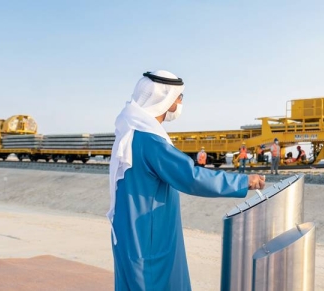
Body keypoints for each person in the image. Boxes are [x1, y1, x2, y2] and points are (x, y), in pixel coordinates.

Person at [108, 70, 265, 291]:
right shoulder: (150, 141)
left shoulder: (130, 134)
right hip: (149, 236)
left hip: (129, 233)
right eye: (179, 96)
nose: (181, 101)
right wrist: (244, 182)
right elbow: (191, 177)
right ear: (165, 98)